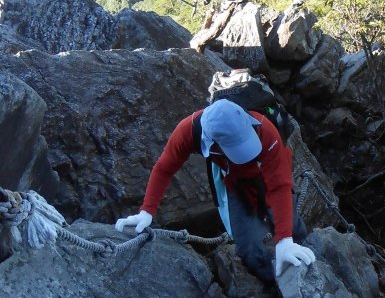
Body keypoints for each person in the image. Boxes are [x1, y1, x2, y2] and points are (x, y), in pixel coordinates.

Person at [116, 99, 316, 282]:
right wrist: (147, 211)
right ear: (212, 143)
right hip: (236, 183)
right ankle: (273, 284)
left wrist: (284, 239)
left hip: (267, 171)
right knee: (248, 247)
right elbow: (164, 168)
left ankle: (306, 257)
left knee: (292, 226)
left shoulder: (264, 129)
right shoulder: (188, 131)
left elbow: (279, 186)